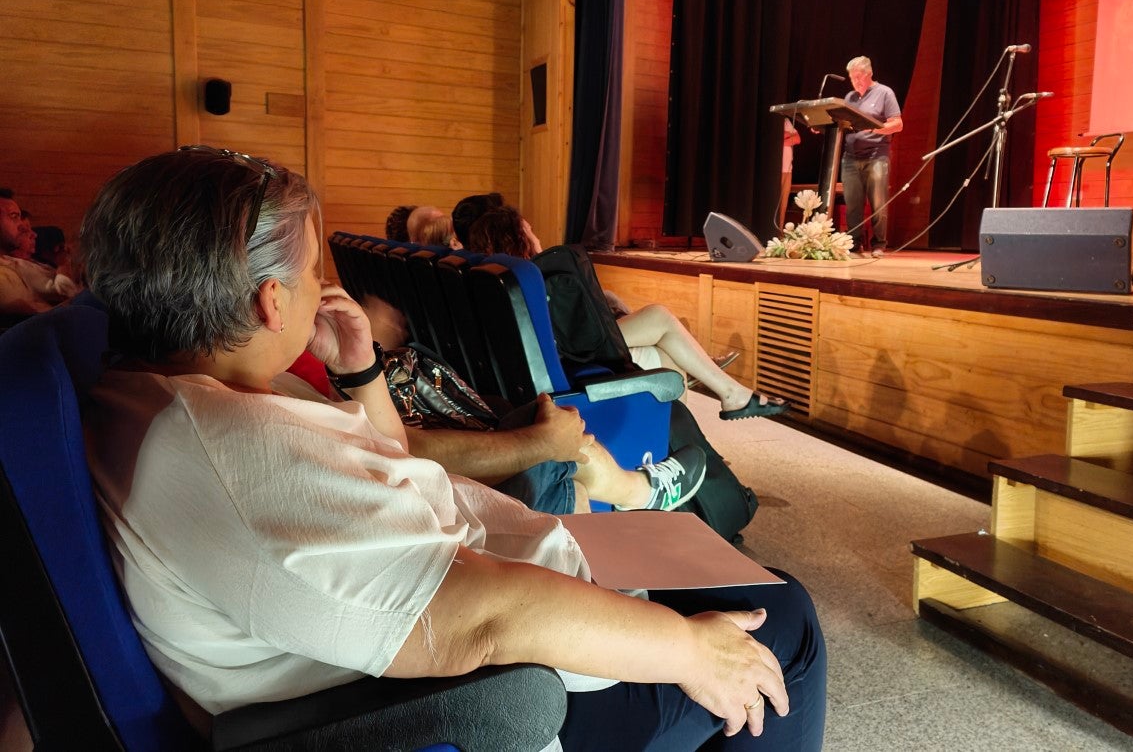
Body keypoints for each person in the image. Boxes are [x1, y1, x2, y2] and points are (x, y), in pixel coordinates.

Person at [79, 146, 826, 748]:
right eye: (311, 273)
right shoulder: (230, 447)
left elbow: (386, 462)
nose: (322, 287)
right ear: (269, 301)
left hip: (515, 567)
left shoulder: (167, 389)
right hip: (493, 690)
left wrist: (361, 369)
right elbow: (482, 618)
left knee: (723, 570)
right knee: (778, 617)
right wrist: (687, 651)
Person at [468, 205, 790, 422]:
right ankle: (723, 394)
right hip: (566, 355)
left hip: (553, 352)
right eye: (530, 230)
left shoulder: (494, 275)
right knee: (661, 320)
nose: (536, 236)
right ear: (517, 238)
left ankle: (710, 400)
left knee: (662, 350)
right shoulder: (529, 272)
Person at [841, 56, 903, 258]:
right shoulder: (850, 97)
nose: (856, 81)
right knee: (853, 204)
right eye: (852, 78)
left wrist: (875, 129)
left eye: (859, 77)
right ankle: (854, 243)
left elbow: (897, 124)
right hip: (850, 157)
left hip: (877, 155)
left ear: (869, 74)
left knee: (878, 202)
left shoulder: (884, 92)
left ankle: (879, 244)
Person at [0, 189, 77, 322]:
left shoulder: (8, 264)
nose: (22, 227)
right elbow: (37, 320)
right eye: (13, 216)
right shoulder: (4, 275)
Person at [779, 117, 802, 227]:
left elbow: (797, 139)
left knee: (783, 204)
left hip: (787, 168)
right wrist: (789, 134)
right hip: (776, 168)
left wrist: (783, 137)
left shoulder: (786, 120)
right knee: (774, 204)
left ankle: (779, 231)